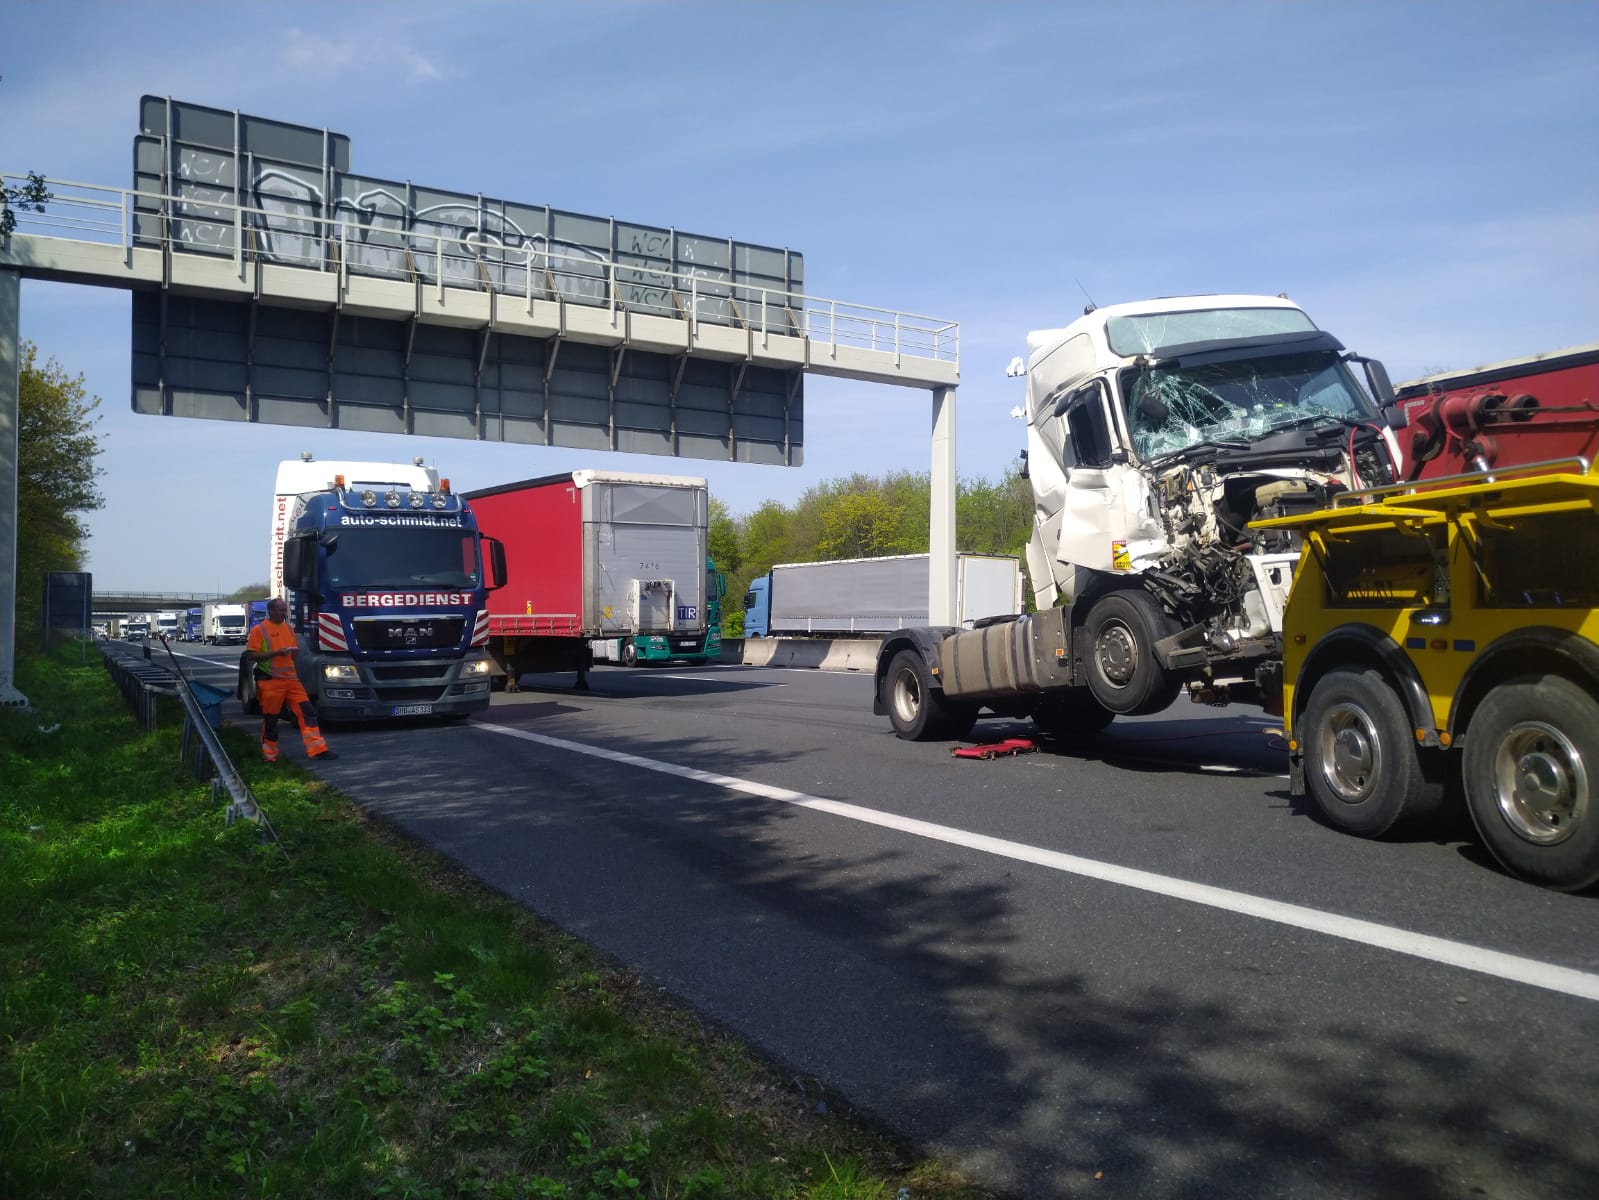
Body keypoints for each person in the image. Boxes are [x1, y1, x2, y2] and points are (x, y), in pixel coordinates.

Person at [245, 597, 336, 763]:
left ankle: (317, 749)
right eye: (280, 610)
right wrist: (278, 653)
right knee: (271, 719)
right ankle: (269, 756)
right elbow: (251, 655)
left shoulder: (288, 628)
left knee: (307, 712)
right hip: (271, 682)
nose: (284, 613)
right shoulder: (260, 630)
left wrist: (291, 654)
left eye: (285, 610)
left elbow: (293, 654)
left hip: (291, 681)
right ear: (271, 611)